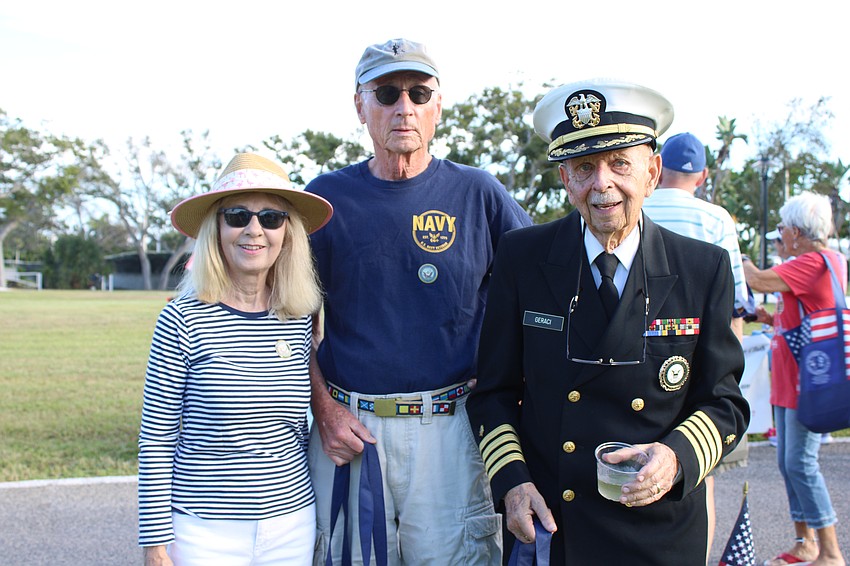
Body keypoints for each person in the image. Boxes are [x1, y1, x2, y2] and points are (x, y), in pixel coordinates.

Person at [466, 78, 749, 565]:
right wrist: (513, 482)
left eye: (620, 163)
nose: (602, 184)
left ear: (653, 172)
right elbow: (492, 393)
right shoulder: (523, 257)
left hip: (659, 530)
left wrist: (676, 457)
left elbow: (724, 403)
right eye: (583, 167)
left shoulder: (703, 269)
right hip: (555, 526)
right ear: (564, 178)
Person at [305, 38, 532, 565]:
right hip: (350, 429)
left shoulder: (478, 193)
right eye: (385, 92)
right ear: (359, 105)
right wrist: (324, 408)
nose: (402, 106)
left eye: (417, 92)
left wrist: (509, 373)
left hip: (451, 431)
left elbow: (538, 291)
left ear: (437, 105)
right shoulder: (325, 200)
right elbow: (292, 320)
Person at [138, 153, 333, 565]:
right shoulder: (181, 319)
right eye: (238, 215)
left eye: (272, 218)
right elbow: (156, 440)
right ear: (217, 228)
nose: (254, 230)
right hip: (203, 532)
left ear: (288, 234)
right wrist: (155, 545)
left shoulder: (297, 318)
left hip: (291, 526)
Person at [641, 131, 750, 552]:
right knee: (695, 471)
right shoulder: (716, 217)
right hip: (692, 354)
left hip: (636, 354)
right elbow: (734, 307)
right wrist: (727, 379)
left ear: (657, 168)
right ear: (702, 174)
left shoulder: (639, 201)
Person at [743, 192, 847, 566]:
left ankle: (831, 551)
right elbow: (803, 312)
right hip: (794, 378)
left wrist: (736, 254)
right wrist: (767, 318)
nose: (780, 236)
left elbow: (757, 278)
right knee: (789, 463)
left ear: (800, 234)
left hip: (806, 383)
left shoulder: (812, 263)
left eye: (783, 229)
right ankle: (805, 542)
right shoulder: (830, 261)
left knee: (801, 463)